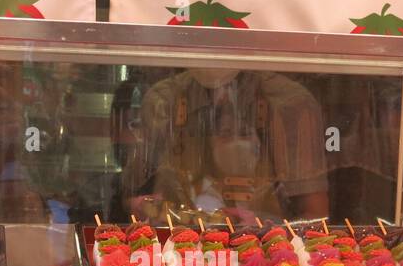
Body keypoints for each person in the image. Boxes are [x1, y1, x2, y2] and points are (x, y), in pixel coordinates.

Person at [133, 68, 329, 223]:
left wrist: (265, 225)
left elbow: (315, 217)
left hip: (267, 260)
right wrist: (145, 208)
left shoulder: (291, 105)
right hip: (177, 258)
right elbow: (136, 204)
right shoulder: (162, 103)